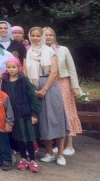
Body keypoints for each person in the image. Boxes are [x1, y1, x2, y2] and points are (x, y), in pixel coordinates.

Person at [26, 27, 70, 166]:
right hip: (35, 87)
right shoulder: (29, 52)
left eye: (38, 35)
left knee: (56, 118)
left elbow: (54, 72)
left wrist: (44, 89)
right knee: (43, 121)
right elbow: (26, 71)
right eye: (33, 35)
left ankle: (61, 154)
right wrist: (33, 89)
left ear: (43, 36)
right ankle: (50, 153)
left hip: (50, 88)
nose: (35, 38)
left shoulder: (49, 50)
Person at [44, 27, 82, 156]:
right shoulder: (41, 51)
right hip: (49, 84)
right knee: (54, 112)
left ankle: (69, 144)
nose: (48, 37)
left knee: (66, 110)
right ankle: (57, 143)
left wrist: (75, 87)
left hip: (63, 82)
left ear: (54, 36)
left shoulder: (63, 50)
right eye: (46, 35)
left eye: (50, 35)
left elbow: (71, 69)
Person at [1, 57, 40, 173]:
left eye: (14, 67)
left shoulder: (24, 81)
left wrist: (34, 114)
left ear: (19, 68)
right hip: (13, 116)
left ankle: (32, 159)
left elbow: (33, 98)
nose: (11, 69)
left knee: (28, 138)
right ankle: (23, 159)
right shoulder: (5, 81)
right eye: (9, 67)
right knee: (18, 138)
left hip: (25, 115)